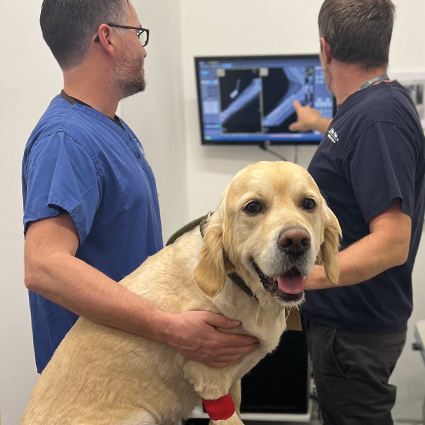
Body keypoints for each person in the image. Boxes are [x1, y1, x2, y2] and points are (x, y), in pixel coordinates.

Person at [22, 0, 258, 375]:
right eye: (138, 33)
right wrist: (170, 328)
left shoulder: (109, 127)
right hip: (96, 383)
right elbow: (44, 266)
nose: (144, 48)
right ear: (108, 38)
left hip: (134, 371)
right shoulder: (66, 140)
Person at [292, 1, 425, 424]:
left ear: (324, 49)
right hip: (347, 324)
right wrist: (318, 123)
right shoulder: (369, 107)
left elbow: (391, 243)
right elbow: (352, 149)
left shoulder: (377, 119)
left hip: (353, 332)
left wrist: (302, 278)